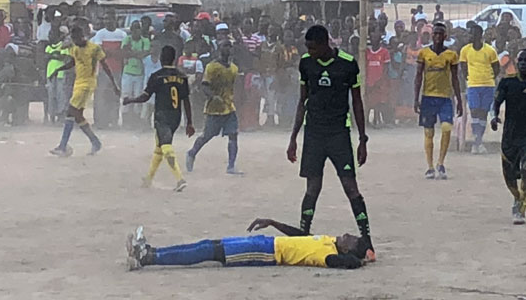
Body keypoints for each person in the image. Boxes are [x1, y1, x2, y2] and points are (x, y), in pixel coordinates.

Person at [288, 24, 373, 254]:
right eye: (308, 47)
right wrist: (294, 137)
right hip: (313, 133)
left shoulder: (347, 64)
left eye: (313, 48)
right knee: (312, 188)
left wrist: (362, 139)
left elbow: (356, 102)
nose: (310, 52)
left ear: (326, 43)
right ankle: (303, 237)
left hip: (338, 134)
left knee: (350, 187)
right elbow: (302, 101)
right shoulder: (306, 63)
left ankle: (367, 242)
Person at [125, 218, 371, 272]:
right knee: (208, 244)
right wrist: (272, 222)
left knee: (209, 251)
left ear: (348, 249)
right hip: (268, 242)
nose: (348, 234)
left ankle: (148, 258)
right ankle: (151, 252)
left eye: (352, 239)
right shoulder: (327, 240)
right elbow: (300, 234)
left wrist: (361, 260)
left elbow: (346, 264)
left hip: (266, 253)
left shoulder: (329, 255)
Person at [490, 49, 526, 225]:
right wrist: (494, 116)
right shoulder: (507, 83)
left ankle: (521, 210)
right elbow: (497, 102)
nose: (523, 63)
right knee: (509, 177)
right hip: (510, 136)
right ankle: (517, 197)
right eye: (520, 60)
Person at [123, 45, 193, 191]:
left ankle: (180, 179)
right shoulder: (182, 77)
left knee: (166, 146)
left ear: (161, 59)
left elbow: (145, 97)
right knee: (159, 148)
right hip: (176, 116)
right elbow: (186, 100)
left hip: (162, 115)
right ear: (174, 59)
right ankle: (148, 179)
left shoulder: (157, 76)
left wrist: (130, 100)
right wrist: (189, 123)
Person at [48, 25, 119, 157]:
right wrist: (58, 70)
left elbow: (105, 66)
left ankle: (63, 146)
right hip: (78, 83)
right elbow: (72, 63)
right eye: (73, 39)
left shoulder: (94, 49)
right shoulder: (75, 48)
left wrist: (114, 84)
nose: (75, 42)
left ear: (82, 37)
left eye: (76, 39)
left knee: (70, 112)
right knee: (78, 115)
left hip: (88, 84)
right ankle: (95, 142)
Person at [414, 22, 462, 179]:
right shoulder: (423, 53)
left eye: (440, 34)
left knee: (447, 128)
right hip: (428, 97)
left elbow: (455, 78)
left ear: (445, 36)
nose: (437, 37)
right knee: (429, 132)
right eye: (435, 34)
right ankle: (429, 166)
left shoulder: (451, 55)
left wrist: (459, 100)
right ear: (431, 35)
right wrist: (416, 98)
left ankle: (441, 163)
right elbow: (419, 76)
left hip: (445, 98)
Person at [186, 38, 241, 175]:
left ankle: (231, 166)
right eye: (225, 46)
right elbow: (204, 85)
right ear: (219, 49)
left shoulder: (234, 68)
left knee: (233, 135)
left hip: (229, 107)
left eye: (230, 46)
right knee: (207, 136)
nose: (228, 49)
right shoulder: (212, 67)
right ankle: (192, 153)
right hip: (214, 109)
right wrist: (212, 96)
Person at [460, 23, 499, 153]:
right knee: (475, 111)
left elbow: (496, 68)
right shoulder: (465, 50)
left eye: (472, 33)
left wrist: (489, 77)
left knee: (483, 113)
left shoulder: (490, 50)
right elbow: (463, 68)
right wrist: (469, 79)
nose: (470, 35)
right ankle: (477, 141)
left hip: (488, 85)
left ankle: (478, 141)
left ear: (479, 34)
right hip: (473, 85)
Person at [91, 14, 128, 130]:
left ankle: (114, 120)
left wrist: (110, 52)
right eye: (106, 18)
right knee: (101, 96)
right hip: (103, 70)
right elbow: (100, 52)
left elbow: (123, 52)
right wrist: (115, 52)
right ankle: (100, 121)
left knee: (115, 96)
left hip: (118, 70)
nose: (107, 21)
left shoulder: (122, 34)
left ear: (115, 20)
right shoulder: (100, 34)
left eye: (109, 18)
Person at [120, 22, 150, 128]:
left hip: (140, 74)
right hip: (127, 72)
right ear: (131, 30)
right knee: (126, 95)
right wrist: (137, 54)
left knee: (138, 97)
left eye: (138, 29)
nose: (136, 31)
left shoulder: (145, 41)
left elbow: (144, 54)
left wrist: (131, 52)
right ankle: (125, 121)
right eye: (134, 29)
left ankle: (136, 121)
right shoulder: (127, 39)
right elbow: (123, 52)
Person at [44, 25, 70, 124]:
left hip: (60, 73)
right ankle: (52, 115)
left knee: (60, 95)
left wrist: (52, 55)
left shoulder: (63, 45)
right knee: (51, 95)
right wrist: (55, 55)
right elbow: (46, 57)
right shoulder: (49, 47)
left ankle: (60, 115)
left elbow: (63, 57)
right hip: (50, 74)